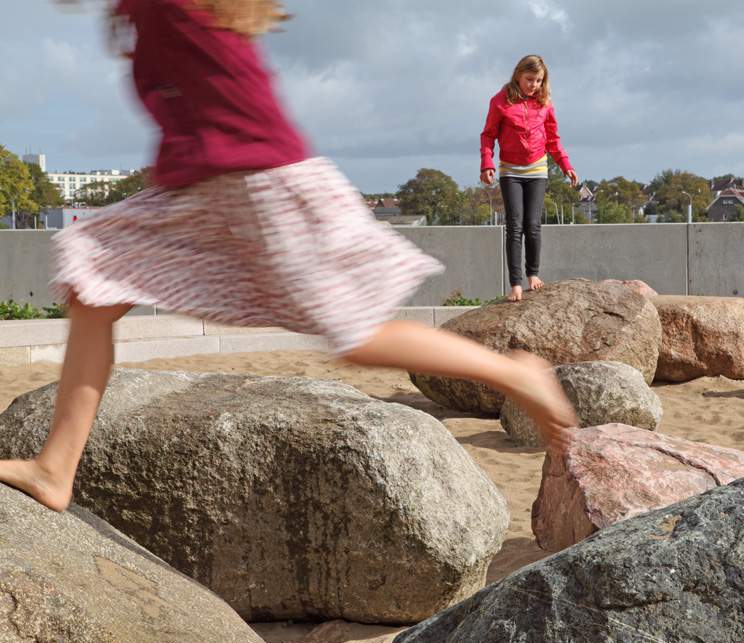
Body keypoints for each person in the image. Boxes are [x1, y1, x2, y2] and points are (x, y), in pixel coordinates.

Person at [0, 0, 576, 512]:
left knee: (354, 335)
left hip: (257, 181)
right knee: (92, 285)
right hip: (202, 187)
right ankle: (56, 467)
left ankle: (514, 371)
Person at [479, 54, 578, 302]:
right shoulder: (500, 101)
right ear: (518, 76)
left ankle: (532, 274)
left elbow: (553, 140)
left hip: (537, 169)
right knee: (514, 225)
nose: (533, 85)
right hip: (510, 170)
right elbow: (488, 136)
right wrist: (486, 164)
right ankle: (515, 284)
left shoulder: (544, 104)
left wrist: (566, 166)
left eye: (538, 81)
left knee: (532, 226)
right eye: (529, 79)